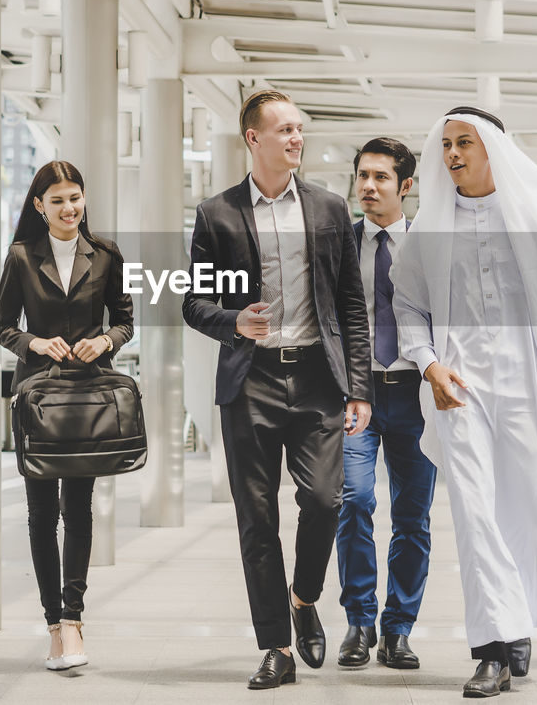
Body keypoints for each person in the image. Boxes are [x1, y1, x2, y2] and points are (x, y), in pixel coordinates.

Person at [391, 106, 537, 698]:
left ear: (494, 149)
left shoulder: (535, 217)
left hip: (529, 383)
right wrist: (429, 365)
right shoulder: (429, 226)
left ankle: (518, 618)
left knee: (527, 510)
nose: (452, 153)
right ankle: (492, 650)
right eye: (446, 143)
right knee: (475, 512)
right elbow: (408, 307)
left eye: (465, 143)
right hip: (461, 388)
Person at [183, 88, 374, 691]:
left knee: (323, 501)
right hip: (252, 381)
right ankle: (275, 647)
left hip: (318, 377)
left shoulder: (328, 209)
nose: (296, 138)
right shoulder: (217, 214)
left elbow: (350, 303)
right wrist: (233, 321)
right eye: (284, 130)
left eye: (299, 129)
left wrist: (359, 387)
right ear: (253, 139)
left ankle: (304, 597)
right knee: (256, 518)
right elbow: (194, 303)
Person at [0, 160, 134, 671]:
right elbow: (2, 326)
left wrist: (104, 340)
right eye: (57, 200)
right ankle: (53, 623)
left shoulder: (108, 254)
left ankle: (73, 620)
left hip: (88, 394)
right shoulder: (22, 257)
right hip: (37, 395)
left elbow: (125, 321)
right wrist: (35, 342)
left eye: (75, 197)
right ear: (38, 206)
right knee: (41, 513)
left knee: (78, 507)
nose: (69, 208)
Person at [335, 137, 436, 671]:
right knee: (352, 501)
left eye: (381, 177)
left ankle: (398, 629)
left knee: (412, 518)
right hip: (356, 396)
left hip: (417, 397)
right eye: (363, 176)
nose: (369, 187)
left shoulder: (429, 248)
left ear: (406, 185)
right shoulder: (339, 246)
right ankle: (359, 620)